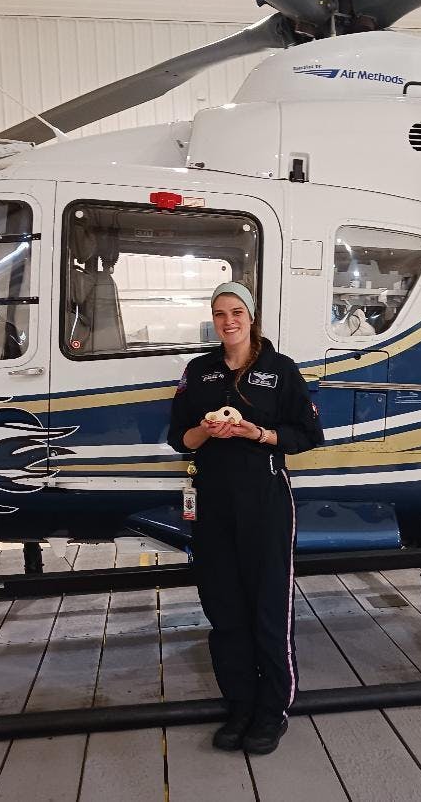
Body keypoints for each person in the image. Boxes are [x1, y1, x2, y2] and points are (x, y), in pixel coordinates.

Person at [168, 281, 323, 755]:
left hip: (265, 503)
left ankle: (272, 710)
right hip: (212, 506)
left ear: (251, 317)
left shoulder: (280, 369)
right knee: (225, 611)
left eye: (236, 312)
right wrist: (205, 429)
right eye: (220, 313)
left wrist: (256, 433)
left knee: (268, 611)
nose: (228, 321)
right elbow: (180, 440)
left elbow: (308, 435)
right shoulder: (199, 371)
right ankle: (240, 704)